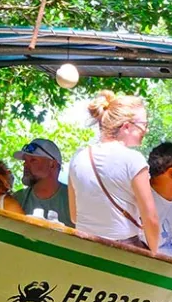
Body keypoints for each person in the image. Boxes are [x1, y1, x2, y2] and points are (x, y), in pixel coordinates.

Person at [67, 90, 163, 250]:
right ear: (126, 126)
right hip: (122, 250)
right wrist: (155, 255)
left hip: (83, 247)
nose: (146, 131)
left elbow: (74, 215)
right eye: (143, 125)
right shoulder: (133, 160)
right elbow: (150, 219)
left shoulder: (78, 157)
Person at [10, 138, 70, 225]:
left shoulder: (73, 201)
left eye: (33, 160)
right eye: (25, 160)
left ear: (52, 165)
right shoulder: (16, 200)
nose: (25, 164)